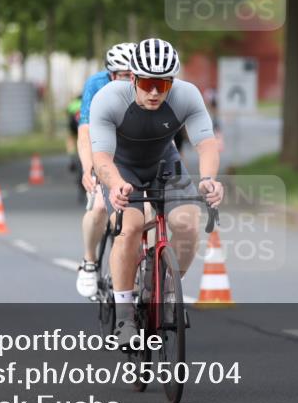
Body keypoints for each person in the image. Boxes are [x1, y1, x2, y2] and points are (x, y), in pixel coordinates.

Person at [89, 38, 223, 345]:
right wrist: (116, 184)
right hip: (123, 169)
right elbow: (102, 159)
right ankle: (124, 318)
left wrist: (208, 180)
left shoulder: (187, 96)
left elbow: (206, 143)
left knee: (187, 225)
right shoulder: (109, 98)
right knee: (131, 228)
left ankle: (165, 290)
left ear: (172, 83)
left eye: (162, 85)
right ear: (133, 78)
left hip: (165, 165)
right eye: (147, 83)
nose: (154, 92)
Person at [75, 42, 135, 297]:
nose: (129, 80)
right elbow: (85, 132)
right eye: (123, 75)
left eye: (134, 75)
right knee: (99, 205)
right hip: (102, 146)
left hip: (132, 148)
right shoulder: (96, 84)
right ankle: (89, 262)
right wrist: (89, 169)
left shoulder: (143, 86)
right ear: (111, 74)